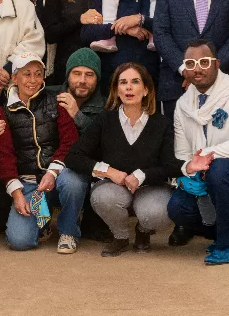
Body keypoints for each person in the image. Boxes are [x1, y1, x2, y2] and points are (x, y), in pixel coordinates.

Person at [167, 40, 229, 265]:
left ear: (217, 64)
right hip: (206, 175)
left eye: (204, 62)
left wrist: (205, 155)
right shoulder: (183, 104)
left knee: (219, 169)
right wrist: (189, 170)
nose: (197, 69)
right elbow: (182, 152)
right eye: (191, 64)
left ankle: (228, 243)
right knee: (178, 208)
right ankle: (228, 225)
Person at [66, 62, 178, 256]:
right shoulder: (105, 120)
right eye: (123, 82)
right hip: (114, 186)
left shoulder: (161, 124)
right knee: (102, 197)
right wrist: (108, 171)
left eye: (135, 82)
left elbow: (172, 166)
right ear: (116, 91)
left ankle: (143, 231)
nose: (128, 87)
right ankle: (120, 236)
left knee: (159, 211)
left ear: (146, 90)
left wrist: (142, 175)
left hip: (151, 187)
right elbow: (73, 156)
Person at [0, 52, 87, 252]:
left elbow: (70, 141)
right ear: (14, 77)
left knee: (74, 182)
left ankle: (68, 230)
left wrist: (52, 172)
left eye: (38, 74)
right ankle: (43, 222)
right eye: (26, 74)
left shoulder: (57, 102)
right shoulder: (4, 112)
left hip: (57, 177)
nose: (33, 80)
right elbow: (4, 157)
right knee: (19, 241)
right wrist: (17, 193)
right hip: (28, 184)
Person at [79, 0, 159, 90]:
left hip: (149, 79)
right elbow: (87, 33)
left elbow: (171, 27)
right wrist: (122, 28)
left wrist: (140, 19)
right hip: (113, 79)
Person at [49, 48, 104, 135]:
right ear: (68, 76)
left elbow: (105, 138)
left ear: (97, 79)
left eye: (89, 75)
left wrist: (77, 116)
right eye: (77, 74)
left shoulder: (108, 107)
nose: (82, 80)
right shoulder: (47, 95)